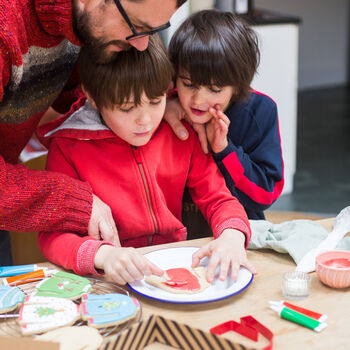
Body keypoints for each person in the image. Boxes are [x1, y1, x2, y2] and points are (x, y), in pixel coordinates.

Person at [37, 34, 256, 285]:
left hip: (171, 268)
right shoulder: (68, 147)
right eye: (127, 107)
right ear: (93, 98)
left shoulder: (179, 132)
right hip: (107, 279)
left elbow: (218, 198)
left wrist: (232, 236)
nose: (145, 121)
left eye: (155, 101)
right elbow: (53, 236)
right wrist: (103, 255)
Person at [0, 0, 188, 264]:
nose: (141, 44)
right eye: (136, 26)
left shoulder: (88, 27)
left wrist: (159, 100)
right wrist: (71, 201)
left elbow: (78, 93)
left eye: (153, 31)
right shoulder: (5, 24)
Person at [168, 10, 284, 226]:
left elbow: (265, 194)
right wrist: (164, 105)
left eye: (214, 89)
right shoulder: (164, 105)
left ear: (238, 86)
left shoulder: (260, 111)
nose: (198, 100)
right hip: (178, 240)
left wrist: (224, 149)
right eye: (188, 84)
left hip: (238, 235)